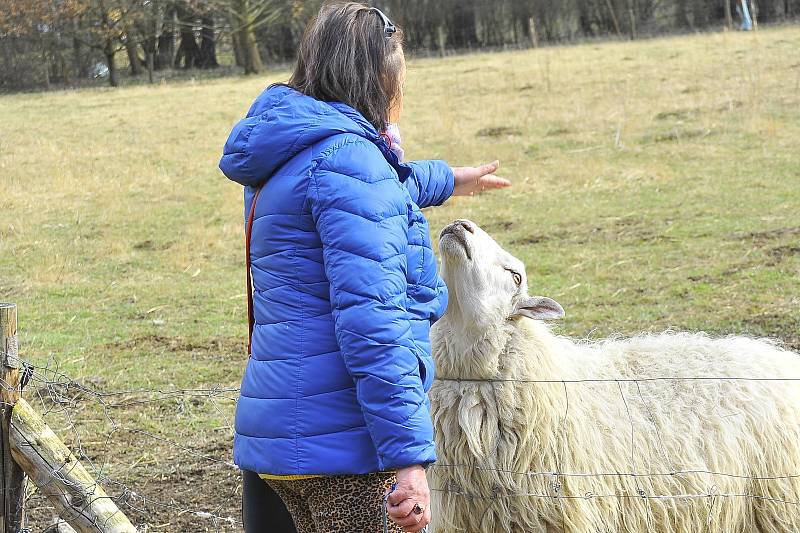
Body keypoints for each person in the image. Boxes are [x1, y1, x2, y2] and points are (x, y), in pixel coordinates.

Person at [219, 3, 510, 532]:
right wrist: (408, 460)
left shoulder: (289, 148)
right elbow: (375, 325)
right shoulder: (351, 160)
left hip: (277, 435)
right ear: (377, 77)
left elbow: (372, 192)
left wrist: (446, 177)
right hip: (343, 448)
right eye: (399, 71)